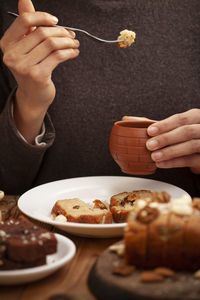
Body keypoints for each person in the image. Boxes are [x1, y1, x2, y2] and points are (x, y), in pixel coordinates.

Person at [0, 0, 200, 196]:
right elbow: (7, 184)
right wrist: (29, 103)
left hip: (182, 225)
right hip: (41, 228)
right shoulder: (14, 15)